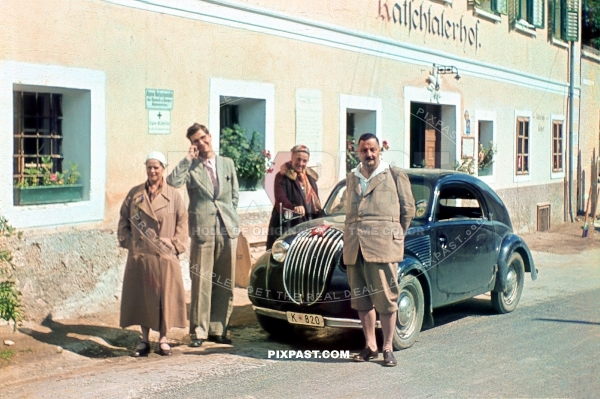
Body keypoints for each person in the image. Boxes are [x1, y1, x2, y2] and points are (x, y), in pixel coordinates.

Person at [343, 133, 415, 367]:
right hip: (356, 247)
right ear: (358, 152)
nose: (369, 154)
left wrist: (394, 235)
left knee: (386, 299)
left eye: (373, 149)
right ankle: (370, 345)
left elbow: (408, 209)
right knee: (362, 300)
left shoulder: (394, 174)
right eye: (364, 150)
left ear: (379, 150)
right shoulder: (352, 178)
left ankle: (387, 347)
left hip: (383, 246)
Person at [167, 123, 239, 347]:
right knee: (202, 280)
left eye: (203, 137)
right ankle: (199, 331)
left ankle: (219, 329)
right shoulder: (192, 167)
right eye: (195, 141)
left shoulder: (227, 163)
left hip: (227, 227)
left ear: (210, 136)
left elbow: (233, 196)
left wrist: (229, 216)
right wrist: (188, 159)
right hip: (202, 229)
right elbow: (171, 183)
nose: (201, 142)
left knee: (225, 280)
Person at [118, 151, 188, 357]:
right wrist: (129, 242)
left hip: (164, 256)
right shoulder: (135, 194)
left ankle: (164, 339)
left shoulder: (174, 195)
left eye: (156, 167)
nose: (152, 171)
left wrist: (175, 245)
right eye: (149, 167)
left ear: (163, 169)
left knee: (164, 298)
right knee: (143, 299)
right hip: (141, 256)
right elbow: (123, 219)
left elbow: (183, 223)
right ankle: (144, 340)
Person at [266, 144, 322, 249]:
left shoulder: (310, 178)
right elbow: (280, 198)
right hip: (288, 224)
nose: (301, 163)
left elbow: (316, 202)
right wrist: (294, 207)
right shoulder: (282, 176)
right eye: (298, 159)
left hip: (307, 223)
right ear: (292, 158)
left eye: (304, 161)